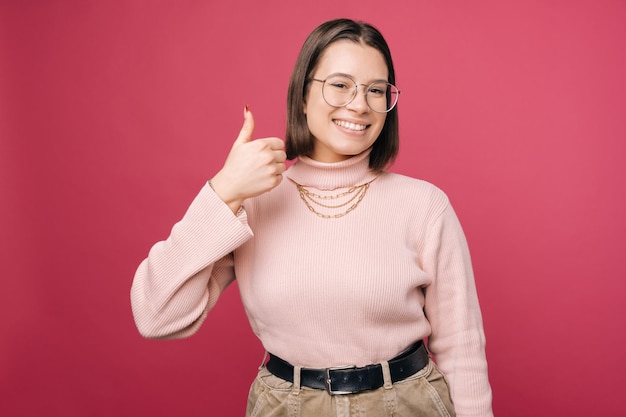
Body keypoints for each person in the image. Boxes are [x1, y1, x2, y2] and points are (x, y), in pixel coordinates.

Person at [131, 18, 493, 417]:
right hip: (286, 406)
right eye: (340, 85)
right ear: (302, 96)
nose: (360, 104)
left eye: (376, 90)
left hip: (405, 404)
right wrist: (223, 193)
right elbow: (156, 315)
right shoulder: (252, 204)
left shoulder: (424, 205)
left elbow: (462, 344)